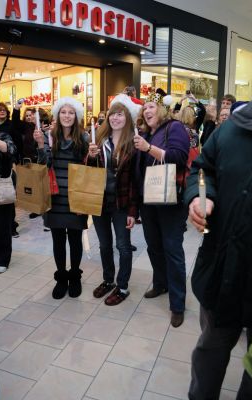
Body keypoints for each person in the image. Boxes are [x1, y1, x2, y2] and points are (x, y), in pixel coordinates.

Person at [185, 95, 252, 399]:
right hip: (222, 269)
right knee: (210, 352)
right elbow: (202, 170)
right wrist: (200, 197)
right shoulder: (233, 129)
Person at [134, 91, 190, 327]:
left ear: (162, 110)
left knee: (172, 249)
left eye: (151, 107)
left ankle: (177, 304)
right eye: (144, 108)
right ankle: (161, 283)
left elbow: (179, 157)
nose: (147, 111)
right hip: (148, 201)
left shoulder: (174, 127)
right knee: (154, 246)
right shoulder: (147, 133)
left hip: (170, 201)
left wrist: (148, 148)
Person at [87, 94, 140, 306]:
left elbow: (136, 181)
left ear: (127, 117)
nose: (115, 118)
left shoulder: (134, 143)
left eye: (120, 114)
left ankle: (123, 286)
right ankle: (108, 280)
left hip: (122, 203)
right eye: (112, 114)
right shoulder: (100, 140)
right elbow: (89, 171)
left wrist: (133, 212)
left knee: (123, 246)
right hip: (100, 201)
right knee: (104, 245)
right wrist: (90, 157)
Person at [33, 97, 89, 299]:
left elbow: (88, 165)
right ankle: (61, 279)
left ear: (76, 116)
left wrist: (92, 154)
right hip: (54, 195)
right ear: (58, 115)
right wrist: (40, 145)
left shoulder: (84, 137)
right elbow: (43, 165)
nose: (67, 116)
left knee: (75, 239)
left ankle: (74, 276)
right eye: (63, 112)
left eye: (71, 112)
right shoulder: (48, 136)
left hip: (76, 195)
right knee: (58, 239)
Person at [0, 129, 17, 273]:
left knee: (2, 224)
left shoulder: (2, 135)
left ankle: (2, 259)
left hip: (0, 186)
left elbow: (11, 150)